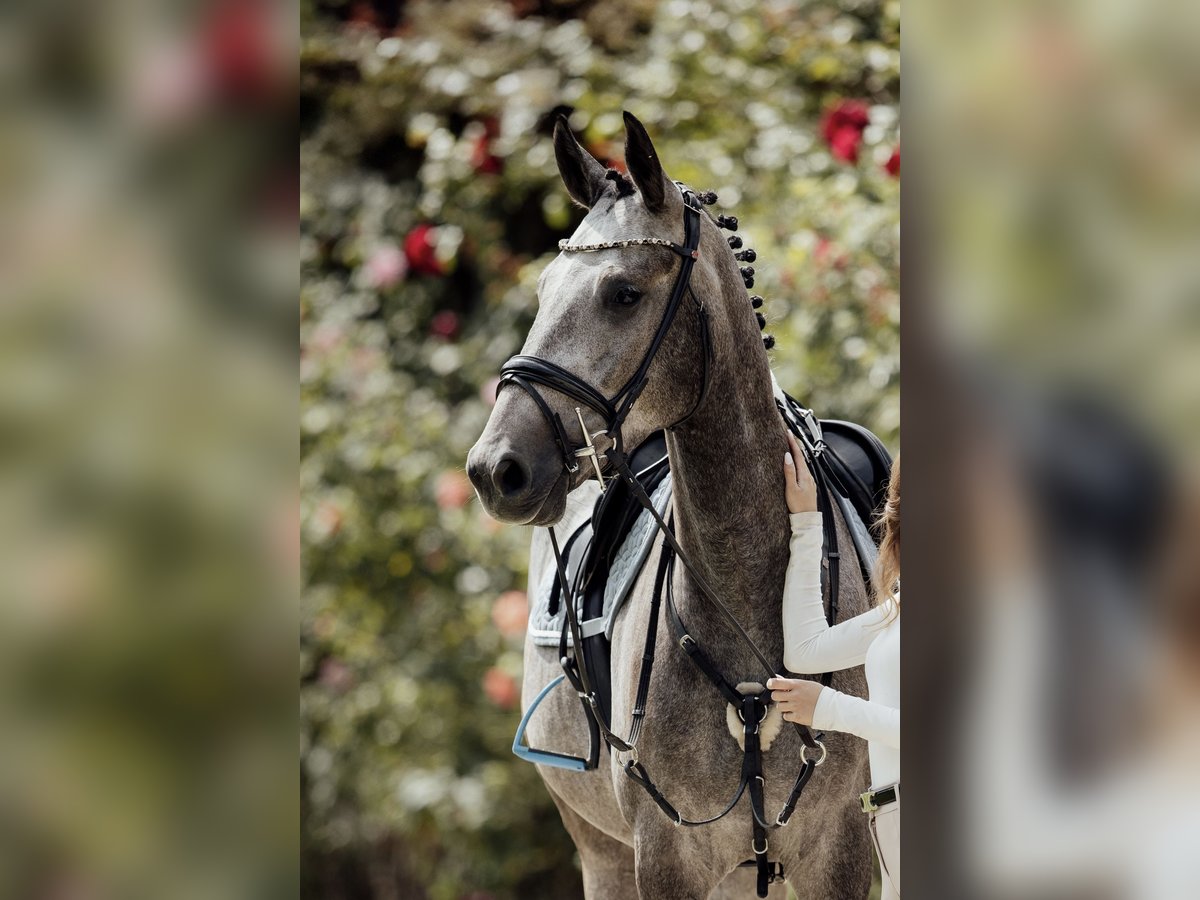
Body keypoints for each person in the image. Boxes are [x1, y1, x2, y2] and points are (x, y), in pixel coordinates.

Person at [767, 435, 900, 898]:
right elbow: (805, 650)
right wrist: (806, 525)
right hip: (893, 832)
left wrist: (829, 708)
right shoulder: (905, 605)